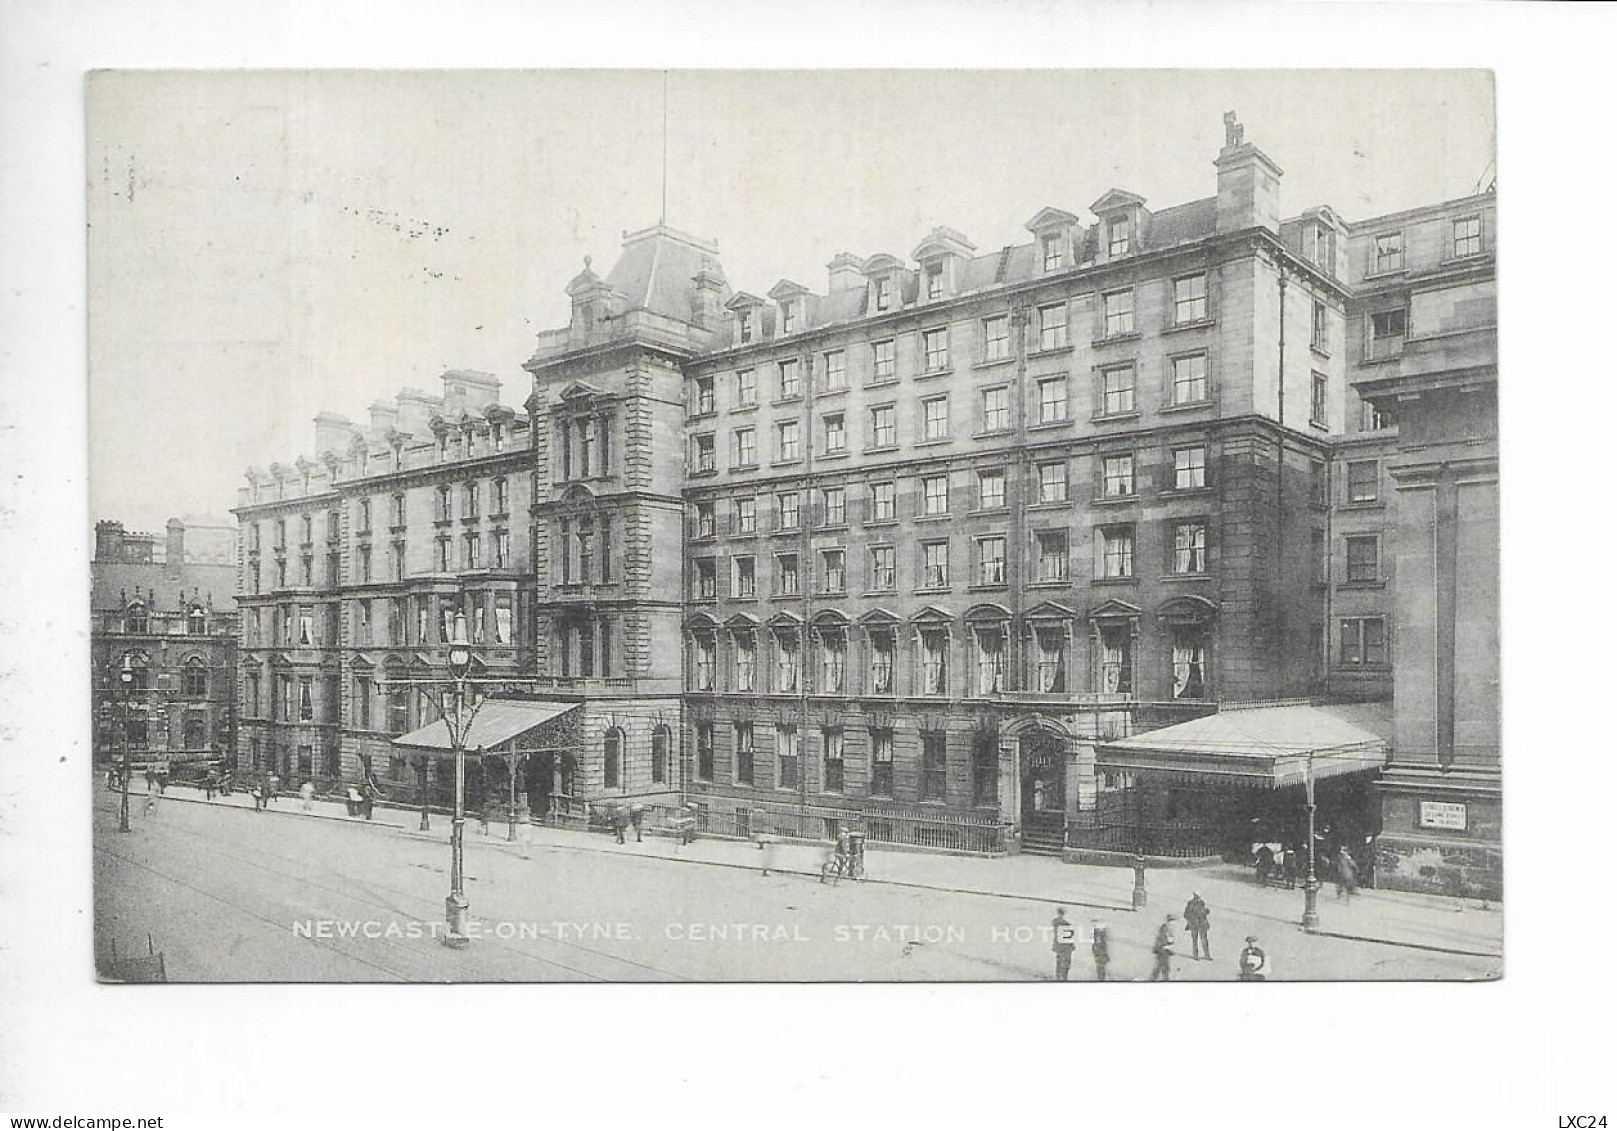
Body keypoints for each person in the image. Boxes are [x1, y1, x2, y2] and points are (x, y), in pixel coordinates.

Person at [1050, 908, 1077, 982]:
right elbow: (1070, 934)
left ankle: (1059, 976)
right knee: (1066, 963)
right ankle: (1063, 977)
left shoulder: (1056, 922)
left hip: (1059, 945)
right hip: (1066, 946)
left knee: (1059, 961)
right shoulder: (1065, 923)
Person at [1183, 893, 1211, 961]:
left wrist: (1206, 912)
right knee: (1195, 940)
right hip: (1194, 925)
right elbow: (1186, 914)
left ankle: (1206, 955)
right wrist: (1191, 919)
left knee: (1204, 940)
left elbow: (1204, 915)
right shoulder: (1190, 904)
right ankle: (1196, 955)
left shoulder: (1201, 904)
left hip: (1201, 924)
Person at [1150, 914, 1177, 981]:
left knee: (1162, 967)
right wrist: (1167, 946)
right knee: (1161, 967)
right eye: (1172, 921)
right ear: (1169, 921)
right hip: (1162, 951)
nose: (1174, 923)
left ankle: (1157, 979)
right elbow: (1161, 940)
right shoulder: (1164, 928)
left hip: (1165, 951)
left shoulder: (1169, 929)